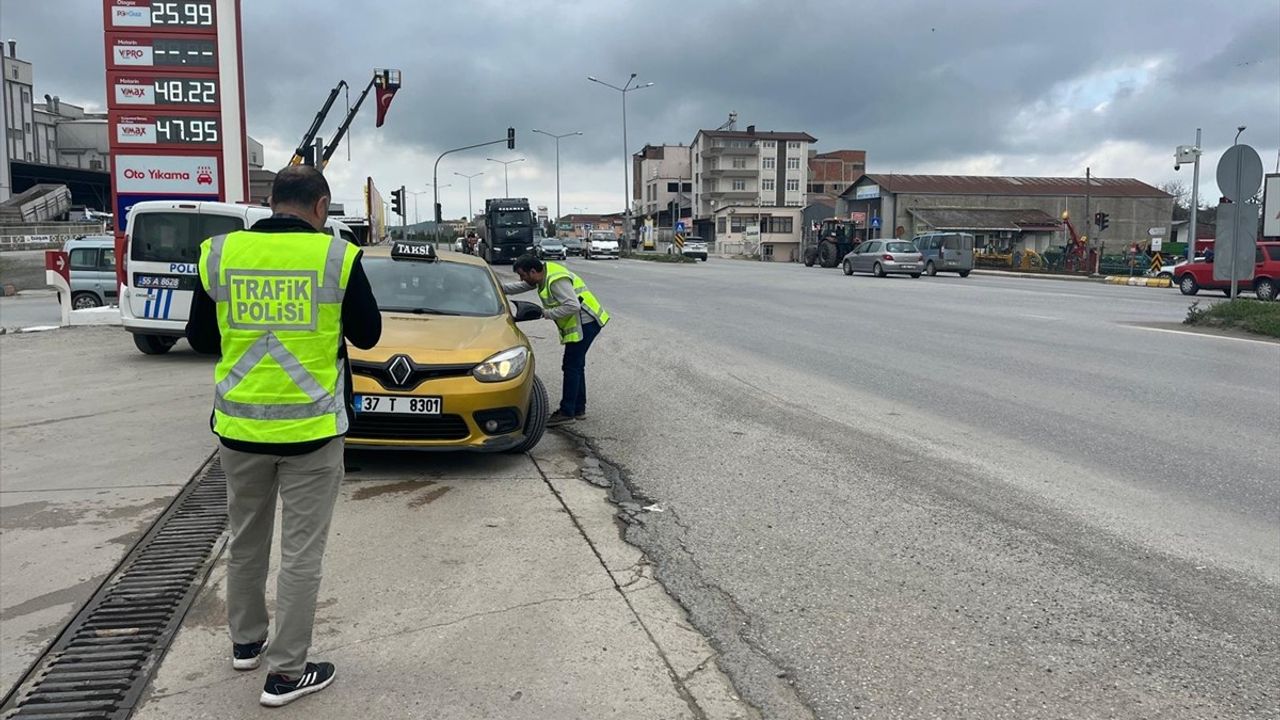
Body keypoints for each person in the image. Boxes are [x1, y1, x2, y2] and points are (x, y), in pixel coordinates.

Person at [185, 165, 382, 707]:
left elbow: (201, 338)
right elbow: (369, 334)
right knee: (300, 554)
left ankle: (246, 643)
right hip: (312, 432)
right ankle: (287, 672)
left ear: (270, 202)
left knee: (245, 541)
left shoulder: (221, 252)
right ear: (321, 208)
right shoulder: (337, 256)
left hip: (240, 429)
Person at [503, 254, 609, 426]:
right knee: (576, 365)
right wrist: (499, 288)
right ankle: (578, 408)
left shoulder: (555, 281)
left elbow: (573, 305)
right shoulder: (543, 273)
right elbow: (522, 285)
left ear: (533, 271)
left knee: (571, 366)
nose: (522, 279)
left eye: (523, 275)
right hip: (585, 322)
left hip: (586, 323)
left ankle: (567, 412)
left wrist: (546, 314)